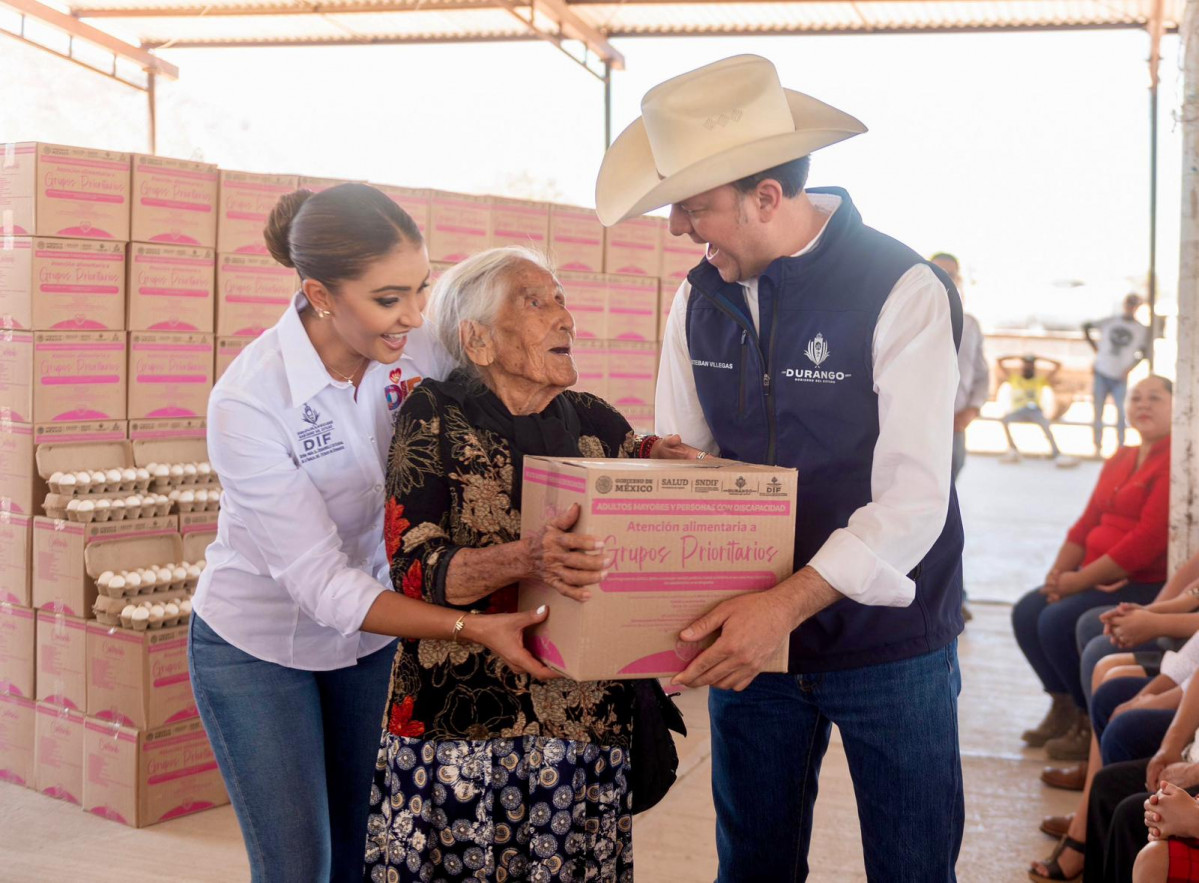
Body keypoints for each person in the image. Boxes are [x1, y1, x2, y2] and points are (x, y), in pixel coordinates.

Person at [596, 55, 966, 881]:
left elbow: (911, 499)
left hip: (888, 645)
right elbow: (686, 455)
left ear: (767, 195)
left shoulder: (899, 286)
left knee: (912, 866)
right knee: (752, 866)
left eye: (694, 209)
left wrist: (784, 604)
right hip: (750, 649)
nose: (679, 232)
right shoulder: (697, 298)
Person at [189, 185, 559, 883]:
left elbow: (509, 411)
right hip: (260, 646)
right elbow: (321, 584)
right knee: (299, 864)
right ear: (321, 295)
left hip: (375, 637)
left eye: (421, 288)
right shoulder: (250, 401)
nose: (415, 316)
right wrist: (468, 627)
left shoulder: (418, 347)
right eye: (390, 299)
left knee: (372, 852)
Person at [364, 247, 698, 882]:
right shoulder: (433, 413)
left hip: (586, 725)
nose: (564, 317)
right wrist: (528, 557)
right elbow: (413, 569)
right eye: (536, 302)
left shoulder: (598, 420)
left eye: (561, 298)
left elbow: (645, 526)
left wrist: (670, 468)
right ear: (478, 340)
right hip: (461, 722)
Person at [1012, 375, 1173, 763]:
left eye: (1155, 397)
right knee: (1028, 609)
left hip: (1140, 582)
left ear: (1177, 407)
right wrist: (1057, 576)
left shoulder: (1173, 462)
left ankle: (1087, 723)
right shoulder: (1121, 457)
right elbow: (1086, 524)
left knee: (1057, 620)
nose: (1143, 405)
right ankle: (1063, 706)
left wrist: (1076, 583)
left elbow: (1145, 542)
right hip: (1091, 575)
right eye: (1136, 398)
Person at [931, 253, 989, 484]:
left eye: (951, 275)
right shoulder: (909, 321)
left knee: (952, 478)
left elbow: (982, 375)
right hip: (919, 426)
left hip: (955, 424)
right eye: (938, 273)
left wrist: (972, 409)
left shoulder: (971, 325)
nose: (946, 279)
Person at [1083, 294, 1150, 456]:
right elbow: (1086, 326)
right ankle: (1097, 446)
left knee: (1121, 411)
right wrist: (1096, 350)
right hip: (1102, 371)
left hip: (1119, 376)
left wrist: (1129, 368)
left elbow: (1144, 353)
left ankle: (1120, 447)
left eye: (1133, 305)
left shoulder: (1141, 329)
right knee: (1098, 410)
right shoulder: (1111, 321)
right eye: (1128, 304)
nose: (1130, 307)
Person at [997, 354, 1078, 467]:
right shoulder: (1015, 379)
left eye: (1031, 366)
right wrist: (1019, 357)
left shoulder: (1040, 380)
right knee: (1004, 420)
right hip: (1019, 410)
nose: (1028, 368)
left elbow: (1058, 365)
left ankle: (1056, 452)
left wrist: (1038, 358)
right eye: (1026, 366)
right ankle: (1013, 448)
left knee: (1045, 425)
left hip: (1035, 410)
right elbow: (1000, 361)